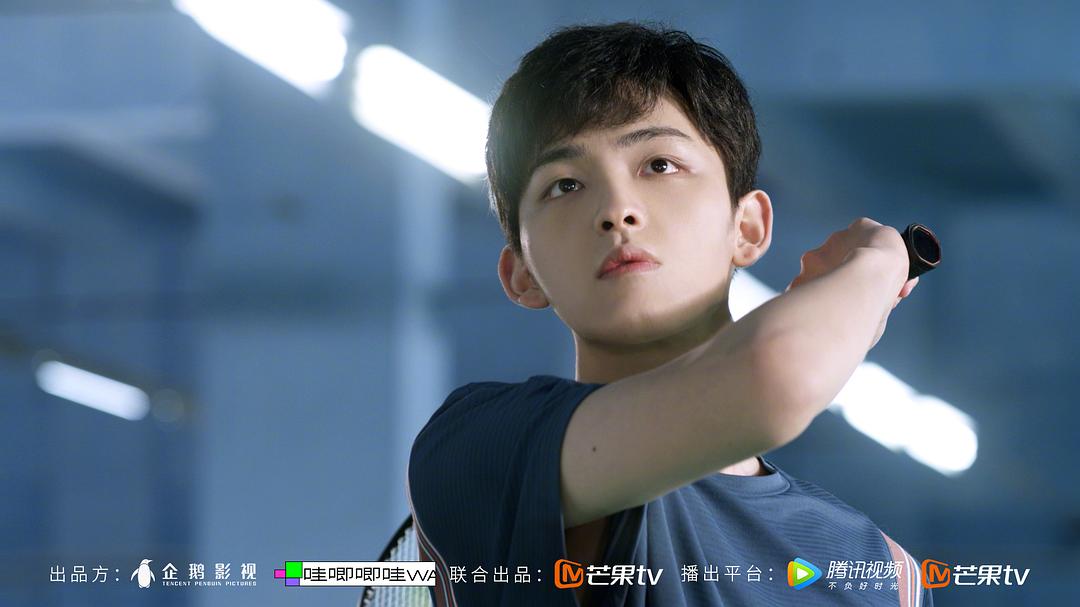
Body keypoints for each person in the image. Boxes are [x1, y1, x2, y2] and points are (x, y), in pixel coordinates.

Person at [407, 20, 931, 606]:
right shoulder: (480, 446)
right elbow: (774, 378)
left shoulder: (888, 573)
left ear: (748, 226)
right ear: (522, 274)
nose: (617, 210)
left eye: (659, 165)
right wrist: (876, 265)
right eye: (564, 185)